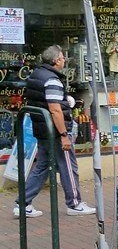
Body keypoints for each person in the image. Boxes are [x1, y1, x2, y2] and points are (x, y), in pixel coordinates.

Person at [15, 45, 96, 217]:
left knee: (42, 166)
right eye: (62, 57)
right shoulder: (52, 80)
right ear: (57, 61)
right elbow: (55, 109)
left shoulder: (36, 75)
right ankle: (74, 203)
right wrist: (63, 135)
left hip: (42, 129)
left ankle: (22, 203)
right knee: (68, 166)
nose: (64, 60)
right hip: (54, 131)